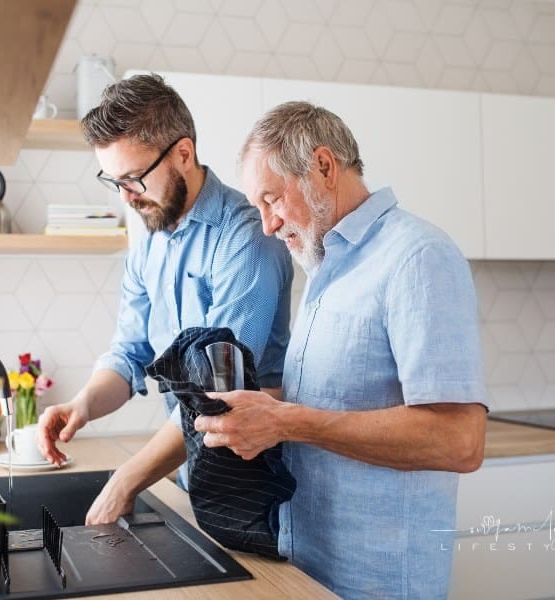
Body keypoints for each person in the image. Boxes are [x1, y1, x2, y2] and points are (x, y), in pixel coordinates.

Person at [194, 101, 488, 598]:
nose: (266, 225)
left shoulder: (417, 258)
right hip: (309, 566)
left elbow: (460, 439)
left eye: (272, 199)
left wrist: (287, 421)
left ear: (324, 167)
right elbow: (339, 396)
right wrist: (256, 409)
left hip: (380, 581)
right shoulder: (325, 267)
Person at [36, 74, 294, 522]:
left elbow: (216, 393)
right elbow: (129, 353)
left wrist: (127, 479)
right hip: (192, 471)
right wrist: (84, 404)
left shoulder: (245, 238)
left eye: (134, 178)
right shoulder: (150, 245)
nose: (126, 197)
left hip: (256, 486)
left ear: (183, 154)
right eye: (113, 181)